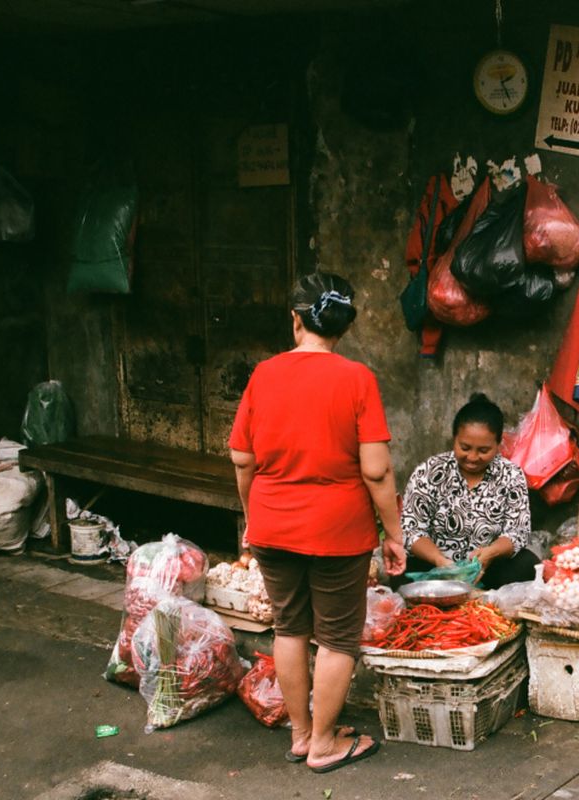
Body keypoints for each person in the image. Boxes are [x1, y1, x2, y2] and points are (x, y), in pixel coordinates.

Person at [229, 272, 406, 773]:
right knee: (336, 637)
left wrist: (252, 513)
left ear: (296, 319)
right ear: (343, 327)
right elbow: (376, 469)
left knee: (289, 627)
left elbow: (242, 458)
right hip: (338, 530)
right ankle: (325, 742)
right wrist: (393, 534)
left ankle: (303, 734)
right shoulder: (356, 379)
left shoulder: (263, 374)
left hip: (272, 523)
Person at [401, 394, 540, 589]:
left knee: (527, 565)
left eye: (484, 450)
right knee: (401, 567)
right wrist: (439, 561)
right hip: (436, 568)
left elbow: (517, 532)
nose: (473, 457)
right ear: (454, 439)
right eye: (465, 447)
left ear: (498, 444)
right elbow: (411, 531)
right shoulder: (430, 471)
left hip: (487, 569)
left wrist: (491, 553)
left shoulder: (511, 474)